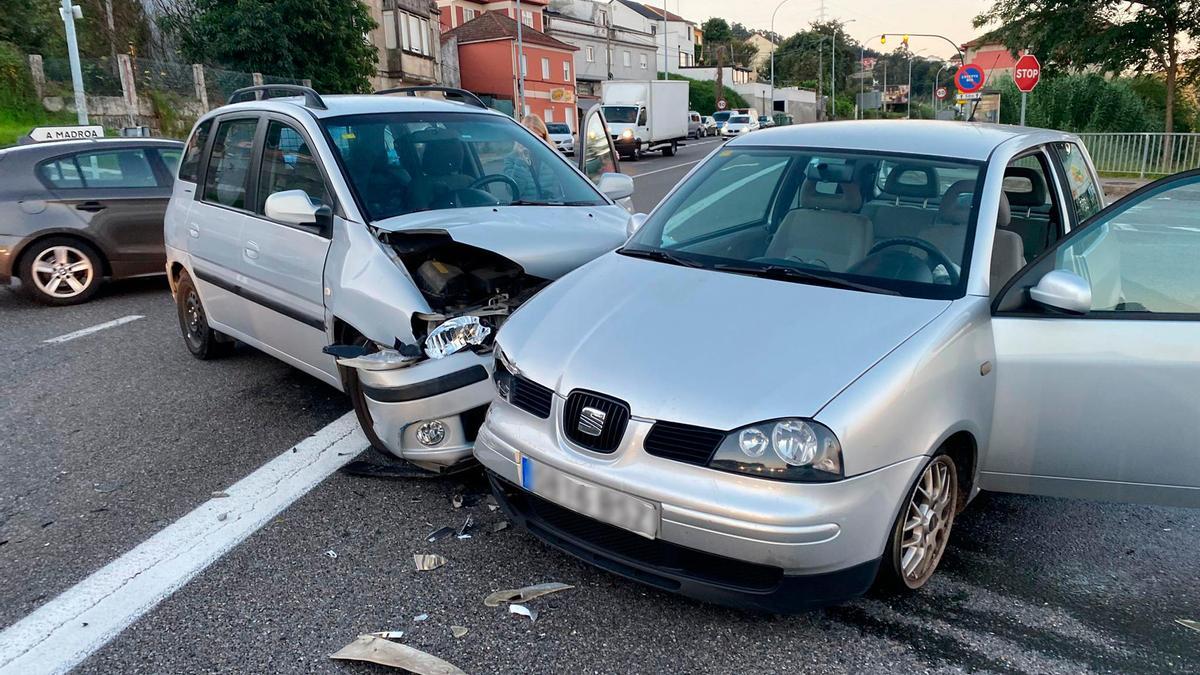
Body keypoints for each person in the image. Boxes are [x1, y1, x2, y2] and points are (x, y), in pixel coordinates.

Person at [502, 113, 563, 202]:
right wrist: (521, 160)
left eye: (539, 138)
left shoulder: (553, 157)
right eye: (531, 139)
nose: (535, 143)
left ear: (545, 138)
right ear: (522, 138)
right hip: (526, 208)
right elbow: (512, 191)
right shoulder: (512, 159)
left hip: (552, 207)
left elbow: (574, 177)